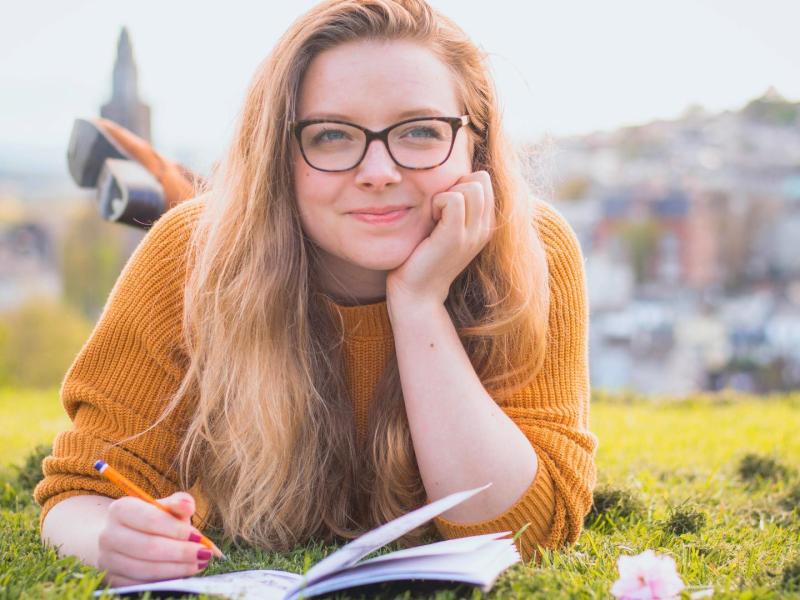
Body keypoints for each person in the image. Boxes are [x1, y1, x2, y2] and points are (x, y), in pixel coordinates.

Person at [35, 0, 598, 586]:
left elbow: (532, 532)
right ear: (280, 152)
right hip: (244, 233)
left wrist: (419, 304)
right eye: (330, 135)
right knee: (215, 229)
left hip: (288, 219)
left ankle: (165, 179)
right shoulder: (187, 254)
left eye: (421, 130)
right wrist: (110, 538)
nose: (379, 170)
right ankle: (177, 186)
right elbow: (82, 490)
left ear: (474, 146)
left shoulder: (532, 249)